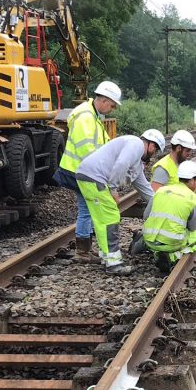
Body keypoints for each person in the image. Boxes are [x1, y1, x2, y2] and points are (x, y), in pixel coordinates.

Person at [75, 129, 165, 275]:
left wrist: (161, 205)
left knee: (101, 220)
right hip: (95, 177)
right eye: (155, 149)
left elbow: (146, 190)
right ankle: (114, 264)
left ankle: (107, 258)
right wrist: (113, 188)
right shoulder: (136, 144)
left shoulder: (136, 162)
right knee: (111, 217)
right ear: (150, 144)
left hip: (86, 175)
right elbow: (122, 163)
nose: (153, 153)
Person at [54, 81, 121, 260]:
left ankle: (85, 249)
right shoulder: (85, 117)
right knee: (87, 210)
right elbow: (86, 150)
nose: (112, 109)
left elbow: (104, 143)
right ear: (105, 100)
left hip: (83, 170)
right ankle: (82, 251)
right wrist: (101, 173)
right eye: (112, 105)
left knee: (89, 208)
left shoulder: (92, 115)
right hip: (79, 171)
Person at [131, 160, 196, 271]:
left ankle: (143, 243)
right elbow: (193, 227)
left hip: (149, 238)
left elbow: (146, 216)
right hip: (172, 243)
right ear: (191, 180)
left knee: (155, 233)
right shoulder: (194, 199)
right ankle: (171, 257)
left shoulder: (161, 191)